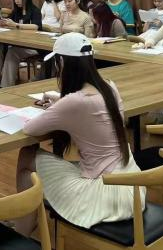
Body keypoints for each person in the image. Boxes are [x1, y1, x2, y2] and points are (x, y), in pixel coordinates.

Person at [15, 33, 143, 236]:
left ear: (62, 63)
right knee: (33, 158)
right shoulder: (109, 87)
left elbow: (30, 129)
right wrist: (60, 104)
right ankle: (25, 225)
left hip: (104, 193)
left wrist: (59, 107)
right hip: (130, 185)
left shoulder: (74, 102)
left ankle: (22, 230)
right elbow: (89, 111)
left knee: (26, 156)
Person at [0, 0, 42, 89]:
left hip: (32, 46)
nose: (17, 1)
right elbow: (10, 22)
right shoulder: (17, 11)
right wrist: (3, 22)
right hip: (17, 43)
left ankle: (5, 86)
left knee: (12, 52)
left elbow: (36, 26)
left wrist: (16, 25)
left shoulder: (35, 10)